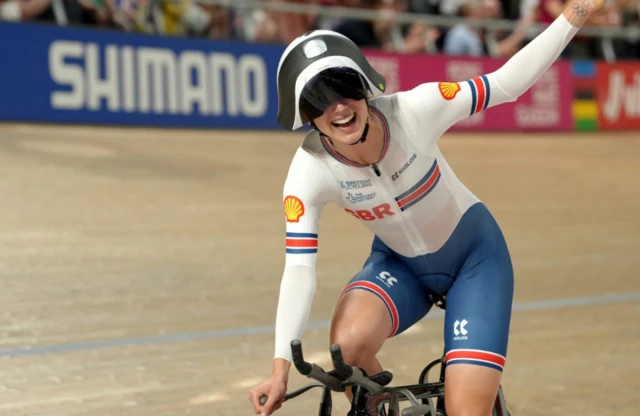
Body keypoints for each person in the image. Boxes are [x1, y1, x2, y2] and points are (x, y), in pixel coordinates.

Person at [248, 0, 605, 414]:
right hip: (401, 266)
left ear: (365, 85)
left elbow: (507, 84)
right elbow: (298, 268)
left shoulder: (414, 111)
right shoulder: (309, 171)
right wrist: (280, 369)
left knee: (465, 410)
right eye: (318, 101)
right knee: (347, 350)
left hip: (475, 259)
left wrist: (577, 11)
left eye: (345, 90)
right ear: (304, 116)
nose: (339, 108)